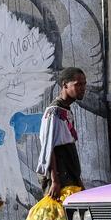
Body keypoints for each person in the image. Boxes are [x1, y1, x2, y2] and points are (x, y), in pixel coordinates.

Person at [37, 67, 87, 201]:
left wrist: (77, 179)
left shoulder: (65, 110)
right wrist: (55, 181)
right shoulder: (54, 112)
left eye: (84, 84)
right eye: (78, 85)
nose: (82, 88)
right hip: (60, 173)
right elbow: (49, 147)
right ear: (65, 85)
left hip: (69, 170)